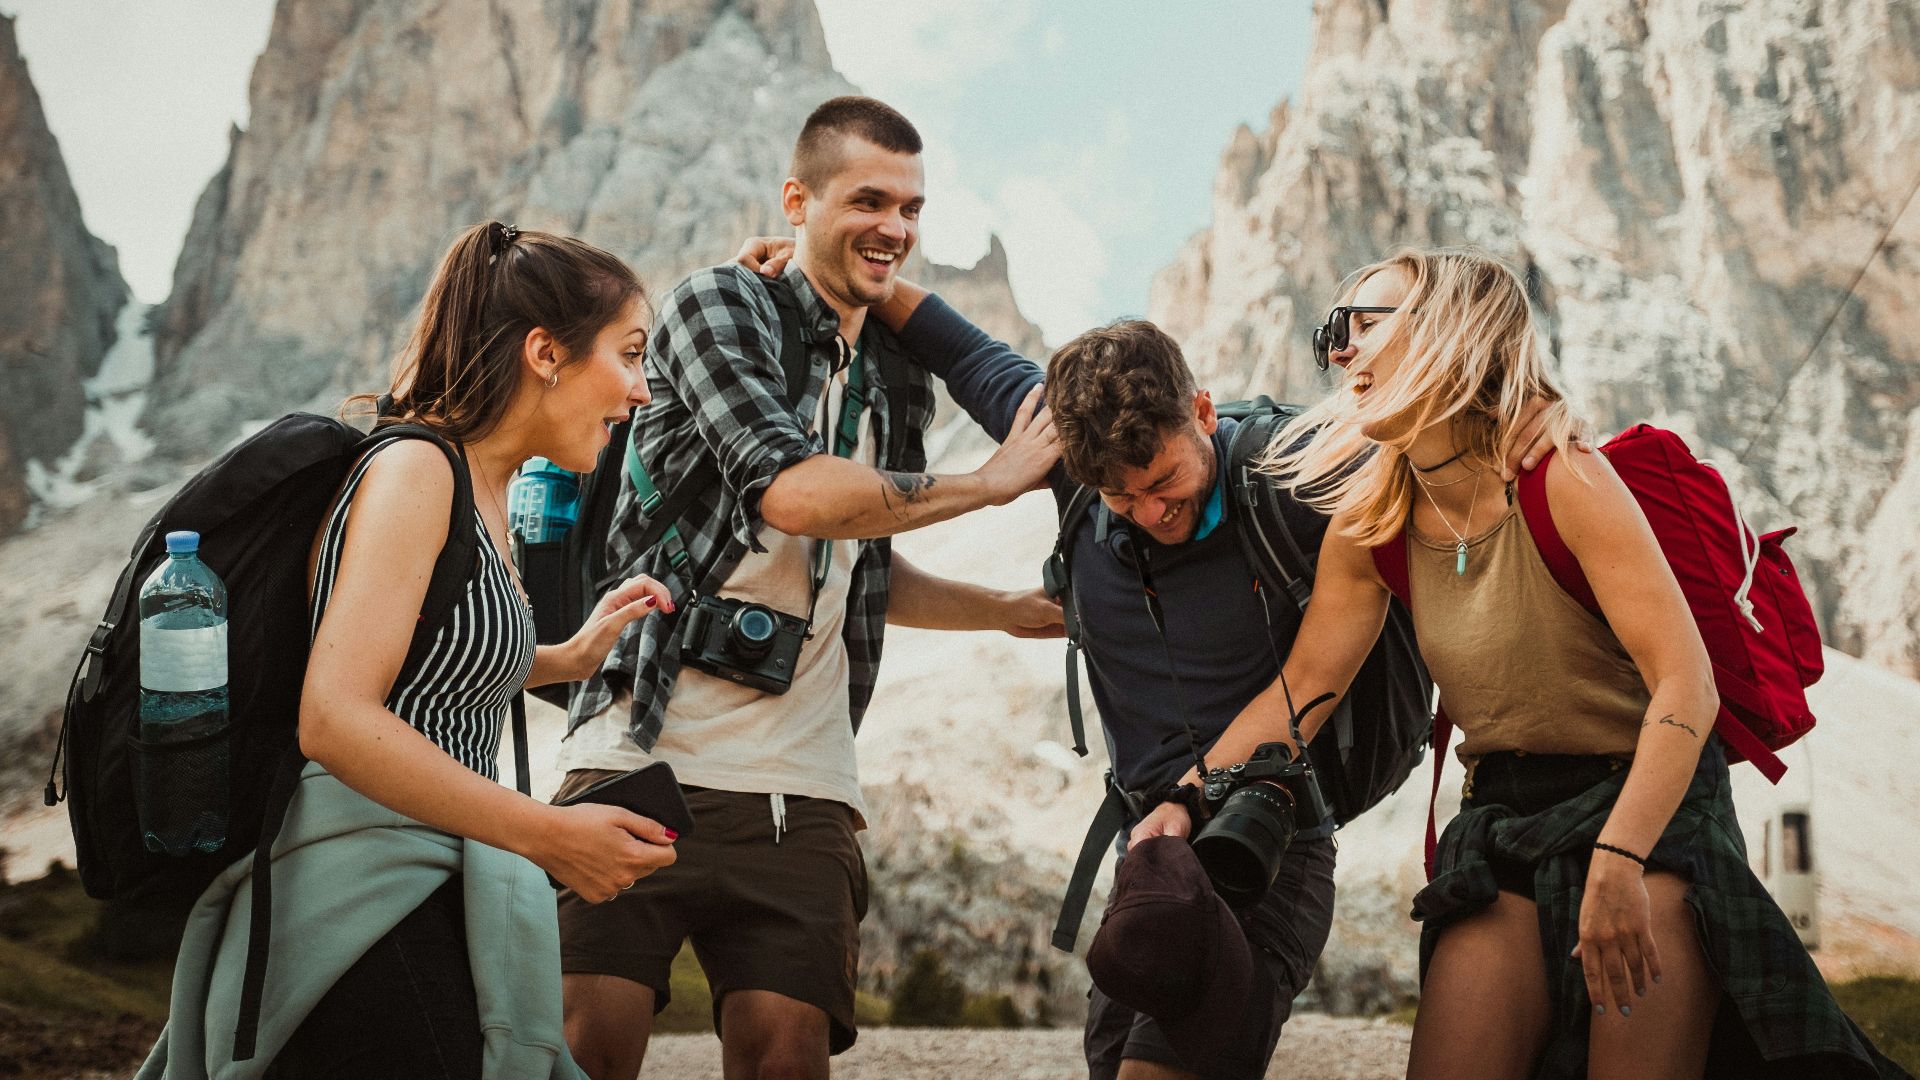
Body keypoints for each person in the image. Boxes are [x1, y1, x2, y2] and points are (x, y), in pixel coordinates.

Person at [729, 229, 1549, 1079]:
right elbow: (958, 348)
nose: (1152, 513)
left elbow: (1438, 439)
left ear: (1203, 413)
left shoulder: (1295, 473)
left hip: (1266, 841)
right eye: (1121, 499)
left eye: (1164, 483)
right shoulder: (1070, 461)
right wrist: (831, 258)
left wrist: (1530, 419)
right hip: (1152, 851)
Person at [1132, 246, 1909, 1079]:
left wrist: (1622, 856)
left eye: (1363, 323)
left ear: (1450, 329)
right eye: (1334, 331)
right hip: (1502, 817)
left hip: (1648, 809)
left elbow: (1688, 685)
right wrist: (1186, 796)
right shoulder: (1371, 521)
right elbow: (1303, 690)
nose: (1341, 349)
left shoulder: (1563, 478)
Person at [557, 96, 1063, 1080]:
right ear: (797, 200)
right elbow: (792, 494)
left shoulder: (897, 375)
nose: (896, 227)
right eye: (868, 200)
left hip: (806, 784)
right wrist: (987, 485)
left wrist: (1002, 613)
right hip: (640, 749)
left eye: (911, 208)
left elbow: (860, 554)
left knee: (787, 1058)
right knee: (586, 1053)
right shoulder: (716, 305)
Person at [138, 221, 682, 1079]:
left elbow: (425, 661)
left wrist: (568, 656)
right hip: (362, 893)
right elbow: (334, 718)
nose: (642, 389)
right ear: (546, 352)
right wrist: (549, 835)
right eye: (630, 354)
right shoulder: (419, 471)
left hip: (429, 874)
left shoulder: (484, 487)